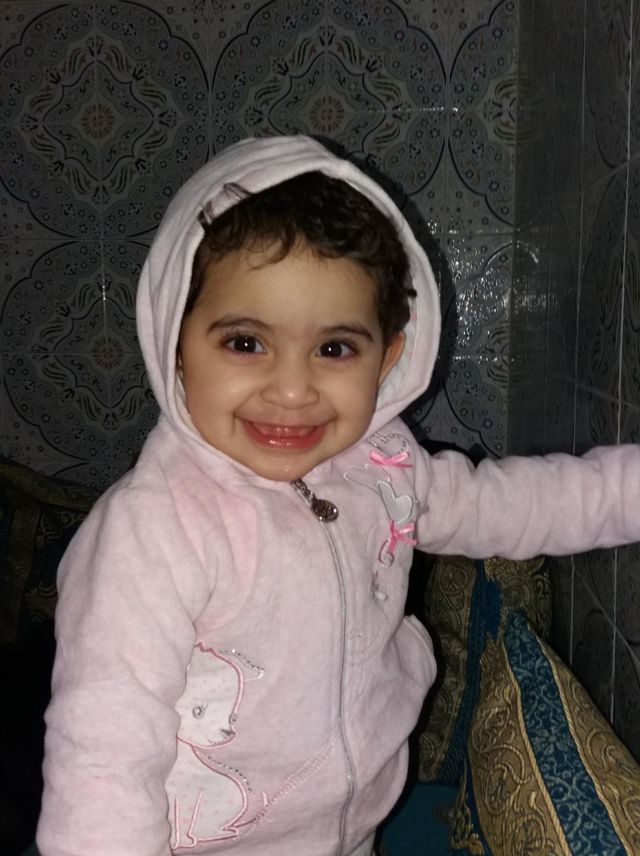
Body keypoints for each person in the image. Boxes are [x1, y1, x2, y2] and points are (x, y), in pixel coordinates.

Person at [37, 135, 640, 856]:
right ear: (174, 343)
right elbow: (103, 754)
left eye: (334, 349)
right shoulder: (152, 529)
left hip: (356, 833)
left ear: (386, 358)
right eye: (245, 343)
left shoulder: (384, 467)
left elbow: (517, 506)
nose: (292, 391)